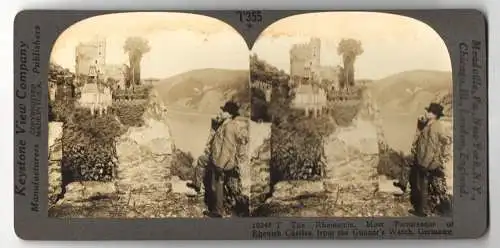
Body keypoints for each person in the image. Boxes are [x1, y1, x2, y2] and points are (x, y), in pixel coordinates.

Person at [403, 103, 450, 216]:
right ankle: (429, 208)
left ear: (435, 115)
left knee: (423, 187)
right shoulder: (431, 124)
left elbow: (431, 148)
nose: (427, 113)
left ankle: (423, 211)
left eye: (430, 112)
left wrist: (424, 164)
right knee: (427, 187)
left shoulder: (434, 127)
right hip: (427, 161)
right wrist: (420, 123)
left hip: (427, 162)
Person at [205, 100, 249, 218]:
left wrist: (220, 165)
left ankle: (218, 211)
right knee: (217, 185)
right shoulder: (227, 124)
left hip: (223, 162)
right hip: (222, 160)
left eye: (224, 111)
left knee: (217, 185)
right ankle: (219, 208)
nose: (221, 112)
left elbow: (227, 148)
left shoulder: (229, 127)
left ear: (229, 114)